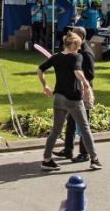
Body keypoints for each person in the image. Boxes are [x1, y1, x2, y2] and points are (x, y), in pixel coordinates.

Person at [38, 31, 101, 171]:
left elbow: (40, 70)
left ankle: (46, 160)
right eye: (77, 45)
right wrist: (85, 84)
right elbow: (77, 72)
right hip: (73, 99)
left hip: (58, 98)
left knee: (55, 131)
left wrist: (45, 86)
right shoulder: (77, 56)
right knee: (85, 129)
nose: (79, 48)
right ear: (72, 44)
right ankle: (94, 159)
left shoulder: (55, 57)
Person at [58, 26, 95, 162]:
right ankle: (68, 150)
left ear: (81, 36)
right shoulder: (76, 50)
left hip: (83, 93)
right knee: (71, 121)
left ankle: (85, 154)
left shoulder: (86, 53)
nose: (70, 37)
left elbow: (90, 74)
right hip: (74, 92)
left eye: (73, 35)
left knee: (83, 124)